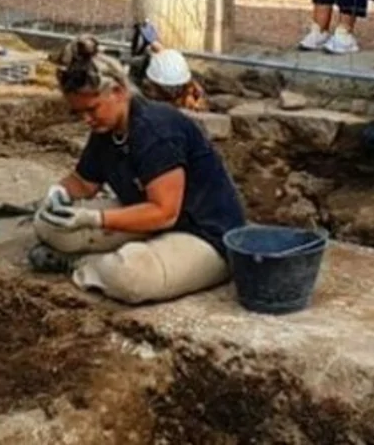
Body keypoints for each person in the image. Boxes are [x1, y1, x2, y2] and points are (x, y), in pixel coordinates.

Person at [28, 37, 246, 305]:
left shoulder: (155, 131)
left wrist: (94, 218)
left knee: (131, 276)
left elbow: (164, 212)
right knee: (47, 224)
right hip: (147, 217)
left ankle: (81, 265)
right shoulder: (106, 128)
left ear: (118, 91)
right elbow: (84, 183)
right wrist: (57, 194)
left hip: (204, 235)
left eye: (92, 109)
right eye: (78, 112)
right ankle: (113, 260)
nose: (86, 119)